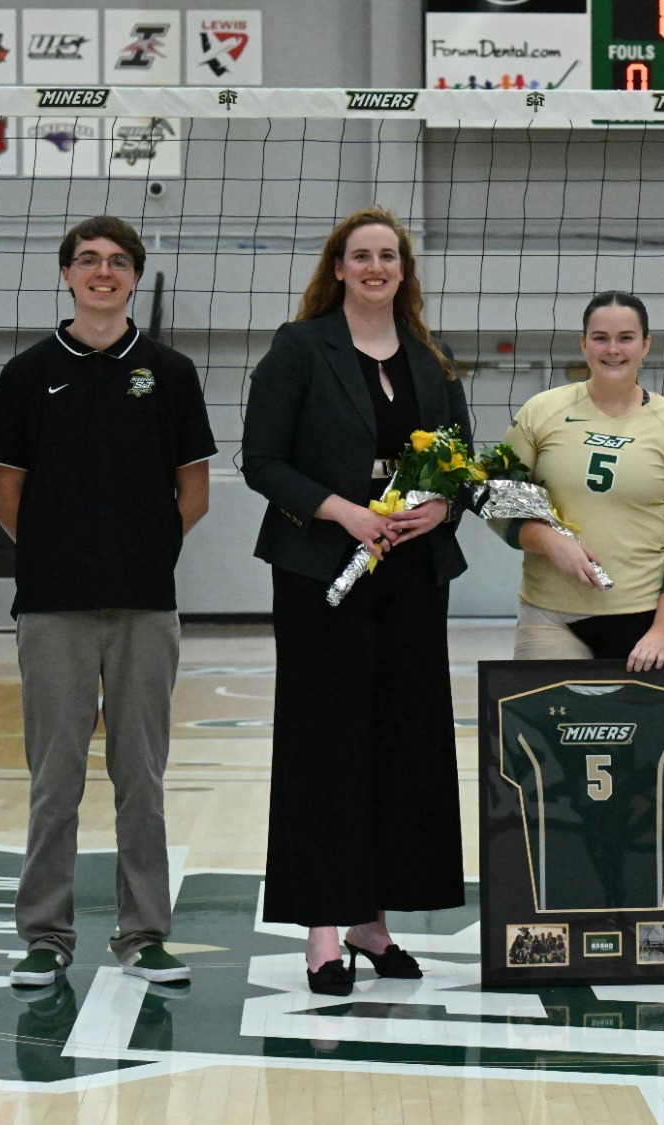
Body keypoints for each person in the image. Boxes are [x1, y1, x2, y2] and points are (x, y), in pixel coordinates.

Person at [0, 215, 217, 988]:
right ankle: (45, 935)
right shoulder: (24, 374)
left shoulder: (171, 372)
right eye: (89, 260)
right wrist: (62, 555)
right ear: (67, 274)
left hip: (145, 606)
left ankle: (143, 932)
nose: (103, 272)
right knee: (55, 779)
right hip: (52, 607)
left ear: (135, 276)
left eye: (118, 261)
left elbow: (195, 492)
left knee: (140, 776)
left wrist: (140, 551)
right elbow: (5, 496)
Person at [242, 205, 470, 996]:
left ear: (404, 270)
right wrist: (344, 510)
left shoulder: (431, 362)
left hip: (410, 573)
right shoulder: (300, 349)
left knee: (401, 745)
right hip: (322, 573)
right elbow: (261, 460)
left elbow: (461, 464)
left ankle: (374, 921)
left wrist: (440, 506)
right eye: (360, 255)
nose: (375, 267)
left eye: (388, 256)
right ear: (337, 267)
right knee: (324, 745)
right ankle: (323, 929)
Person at [494, 291, 664, 670]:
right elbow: (495, 502)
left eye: (626, 338)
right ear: (583, 343)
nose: (613, 349)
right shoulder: (541, 412)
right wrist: (549, 542)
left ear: (646, 345)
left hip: (641, 621)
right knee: (549, 727)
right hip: (549, 616)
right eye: (600, 338)